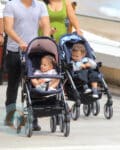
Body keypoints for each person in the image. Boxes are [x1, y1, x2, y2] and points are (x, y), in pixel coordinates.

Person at [3, 0, 51, 131]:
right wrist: (20, 42)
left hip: (33, 51)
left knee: (33, 84)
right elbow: (8, 27)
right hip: (14, 50)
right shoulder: (11, 5)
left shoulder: (40, 5)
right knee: (13, 85)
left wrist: (45, 40)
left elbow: (46, 24)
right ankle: (10, 116)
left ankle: (33, 119)